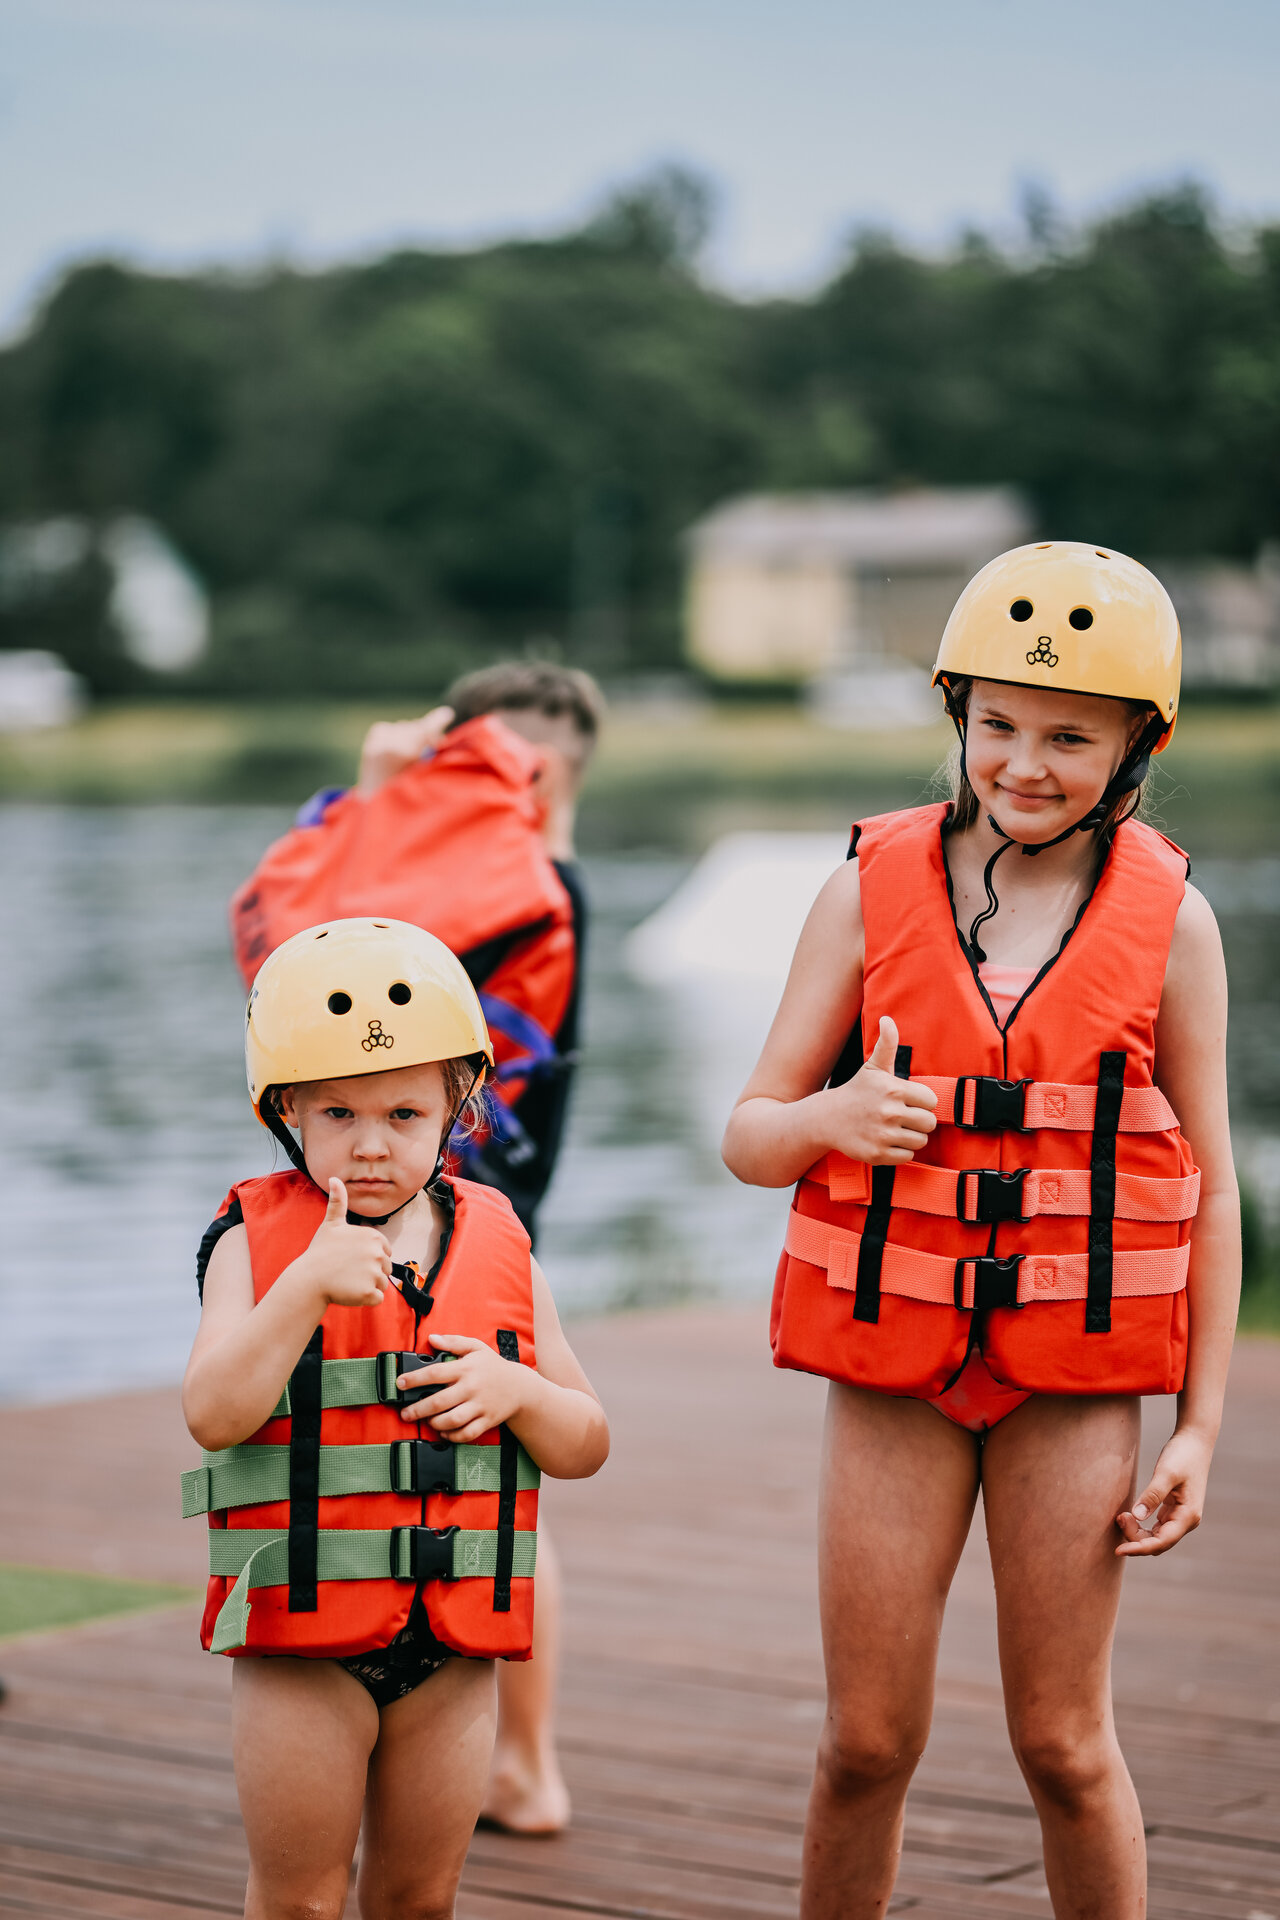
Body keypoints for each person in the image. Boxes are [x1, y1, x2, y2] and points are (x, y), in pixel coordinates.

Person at [722, 542, 1239, 1919]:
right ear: (957, 713)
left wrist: (1196, 1426)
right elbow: (749, 1135)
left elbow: (1215, 1185)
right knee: (865, 1744)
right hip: (897, 1378)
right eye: (999, 724)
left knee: (1064, 1748)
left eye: (1071, 736)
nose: (1026, 763)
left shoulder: (1174, 925)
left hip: (1071, 1388)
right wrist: (833, 1119)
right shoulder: (863, 890)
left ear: (1139, 744)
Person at [229, 660, 604, 1831]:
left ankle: (503, 1754)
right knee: (482, 1471)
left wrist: (363, 798)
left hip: (434, 1217)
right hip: (483, 1213)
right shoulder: (554, 880)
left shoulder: (473, 875)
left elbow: (294, 954)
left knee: (469, 1473)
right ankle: (511, 1760)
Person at [183, 918, 608, 1920]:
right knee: (299, 1898)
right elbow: (213, 1413)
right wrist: (301, 1292)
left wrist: (523, 1395)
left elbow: (586, 1439)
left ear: (459, 1106)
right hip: (303, 1654)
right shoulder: (257, 1241)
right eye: (337, 1112)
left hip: (451, 1661)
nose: (371, 1143)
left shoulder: (499, 1241)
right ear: (284, 1109)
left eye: (404, 1113)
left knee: (420, 1897)